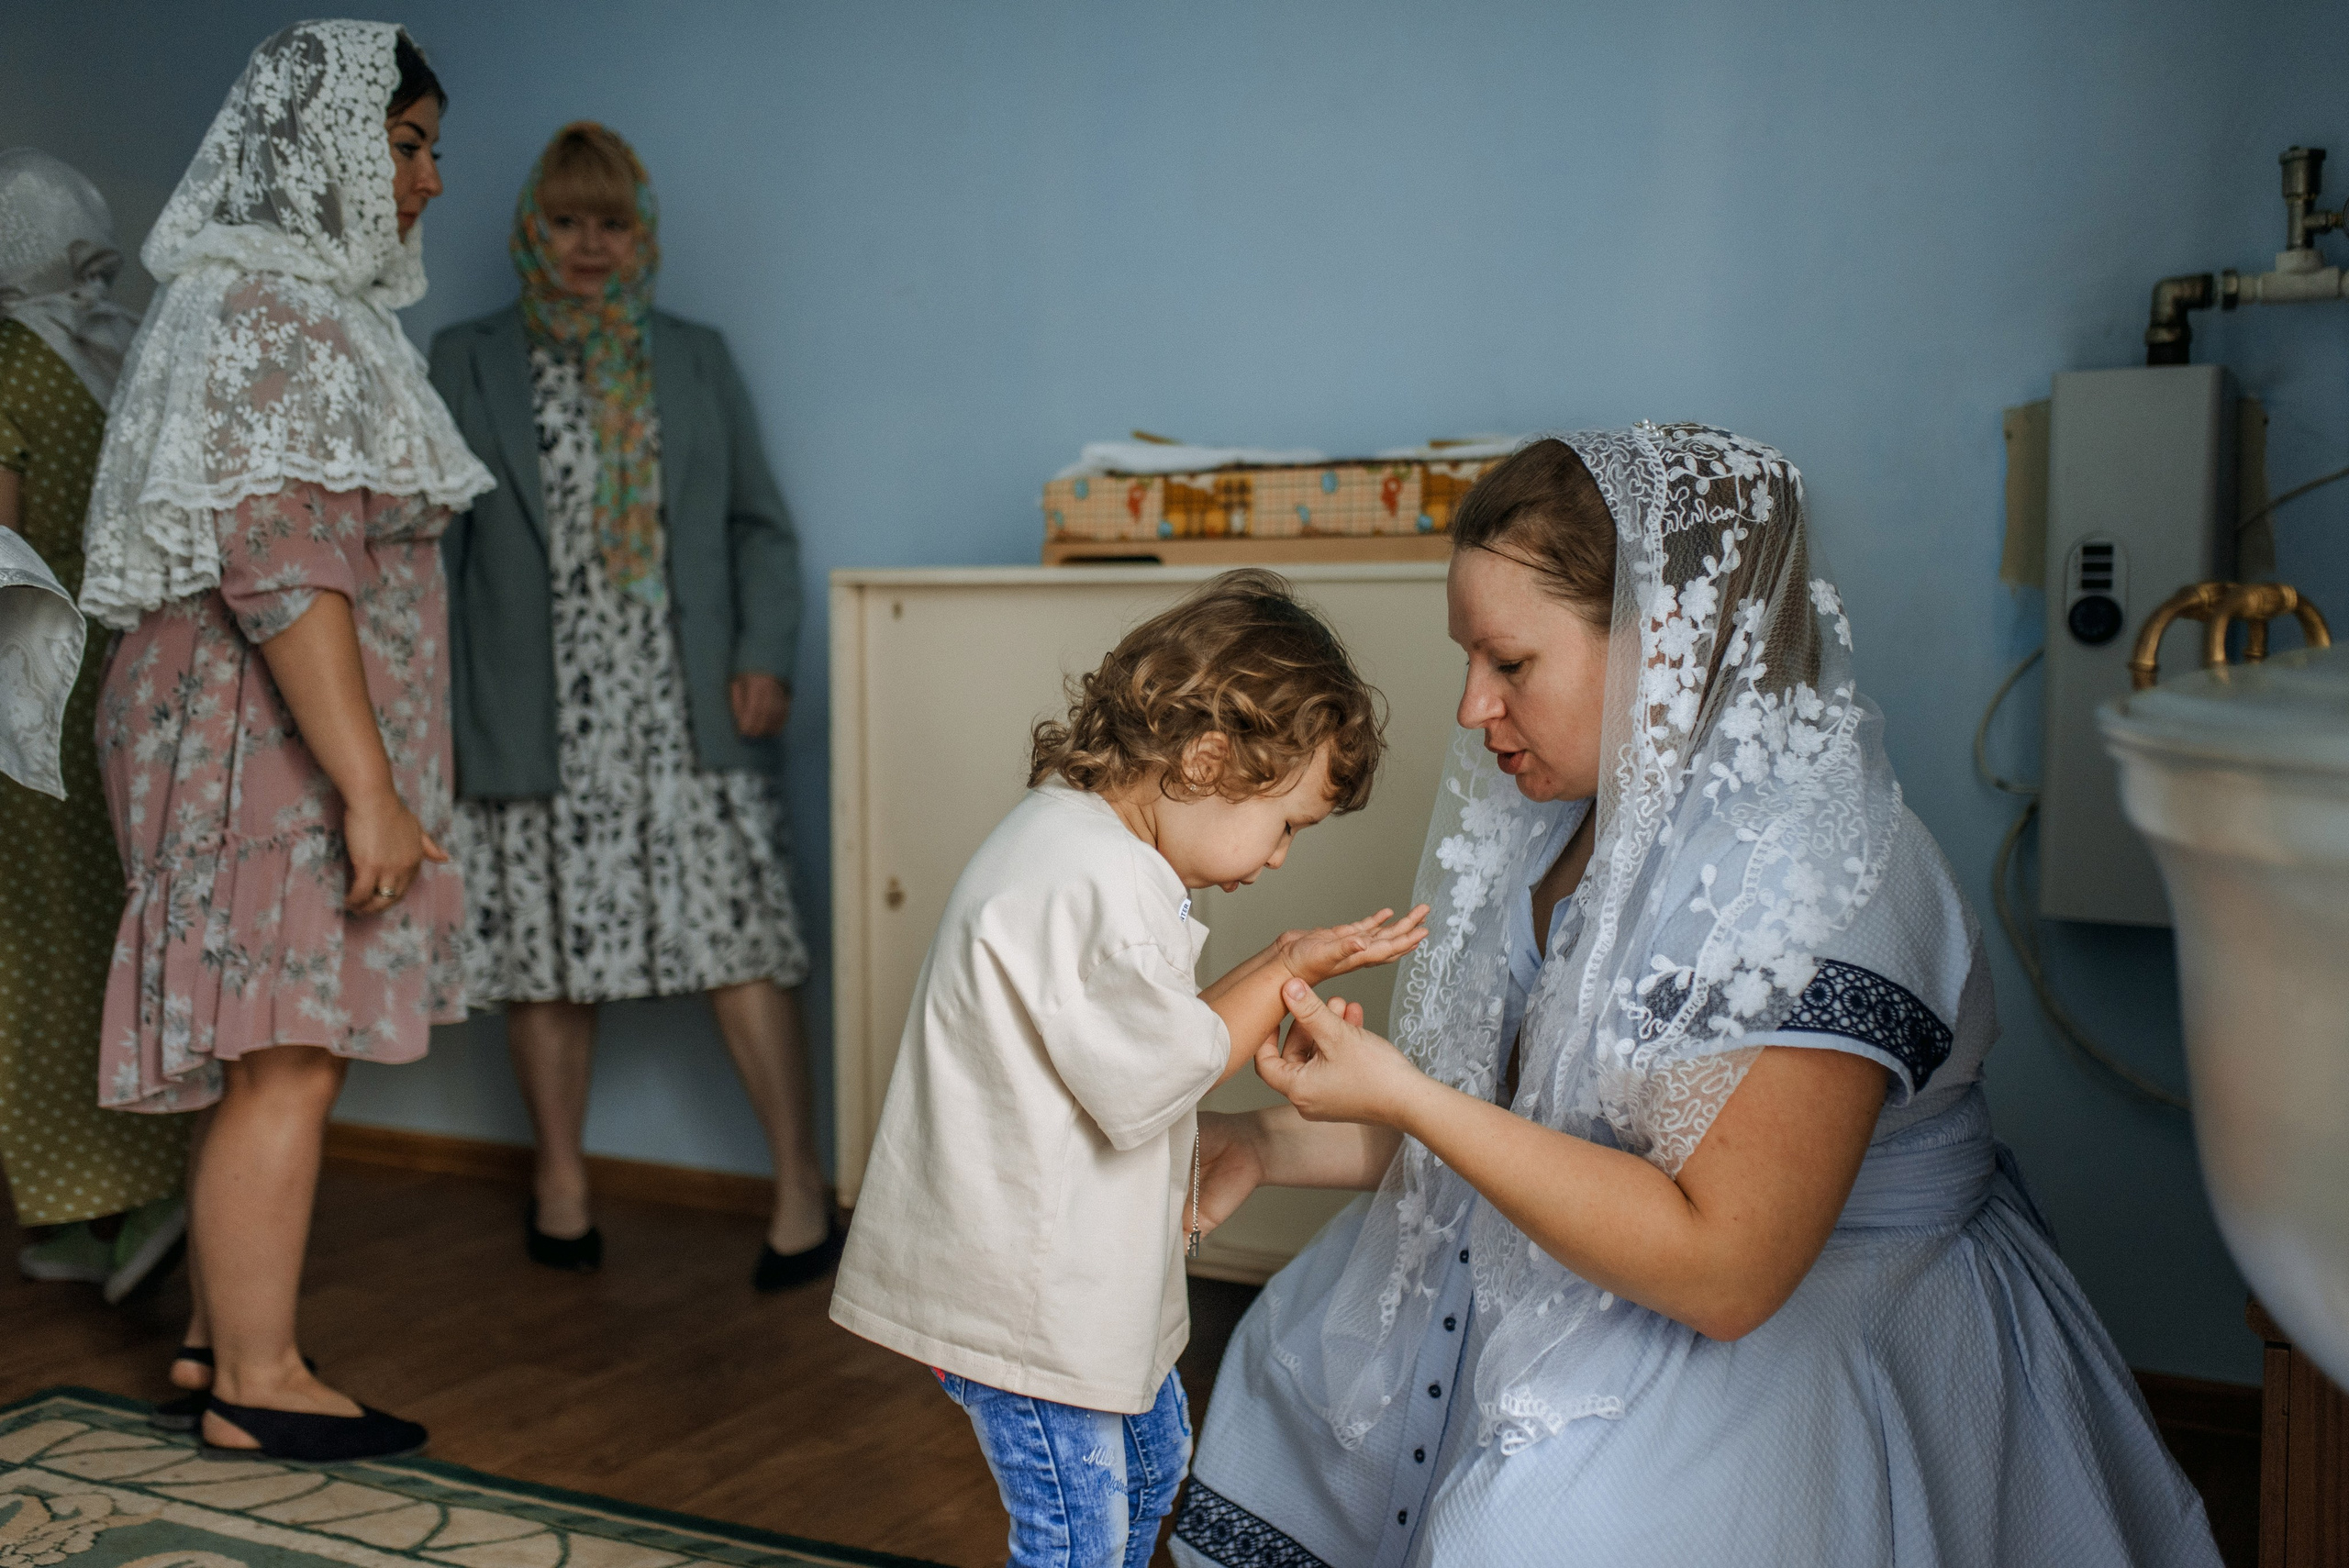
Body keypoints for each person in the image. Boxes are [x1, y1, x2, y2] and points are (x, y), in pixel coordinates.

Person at [1172, 430, 2224, 1567]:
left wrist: (1412, 1101)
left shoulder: (1830, 875)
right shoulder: (1561, 831)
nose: (1472, 707)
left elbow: (1726, 1271)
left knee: (1531, 1532)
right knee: (1289, 1375)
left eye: (1510, 663)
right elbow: (1528, 1128)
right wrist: (1255, 1142)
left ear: (1668, 642)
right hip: (1608, 1256)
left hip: (1796, 1314)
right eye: (1466, 658)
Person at [829, 570, 1430, 1568]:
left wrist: (1283, 964)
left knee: (1151, 1471)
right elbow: (1156, 1071)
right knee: (1076, 1536)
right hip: (1024, 1292)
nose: (1280, 855)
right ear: (1207, 758)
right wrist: (1284, 965)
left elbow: (1153, 1028)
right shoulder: (1090, 878)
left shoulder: (1086, 849)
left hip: (1072, 1270)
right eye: (1287, 823)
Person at [80, 20, 492, 1463]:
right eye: (404, 143)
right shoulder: (277, 315)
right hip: (263, 738)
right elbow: (281, 559)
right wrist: (370, 793)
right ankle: (258, 1380)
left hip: (243, 725)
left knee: (271, 1053)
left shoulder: (260, 305)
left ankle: (216, 1339)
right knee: (287, 1059)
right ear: (321, 147)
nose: (432, 177)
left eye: (432, 144)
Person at [429, 124, 826, 1287]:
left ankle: (799, 1186)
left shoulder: (693, 357)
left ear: (638, 232)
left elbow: (759, 522)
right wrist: (434, 720)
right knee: (545, 954)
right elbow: (430, 557)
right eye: (565, 221)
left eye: (610, 223)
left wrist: (763, 651)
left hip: (685, 706)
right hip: (527, 706)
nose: (588, 245)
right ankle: (561, 1184)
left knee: (741, 940)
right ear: (529, 231)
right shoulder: (467, 358)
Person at [0, 148, 191, 1302]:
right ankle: (163, 1169)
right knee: (131, 927)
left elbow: (1, 551)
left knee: (41, 942)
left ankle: (105, 1202)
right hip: (142, 667)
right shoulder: (124, 344)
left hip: (39, 670)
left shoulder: (6, 365)